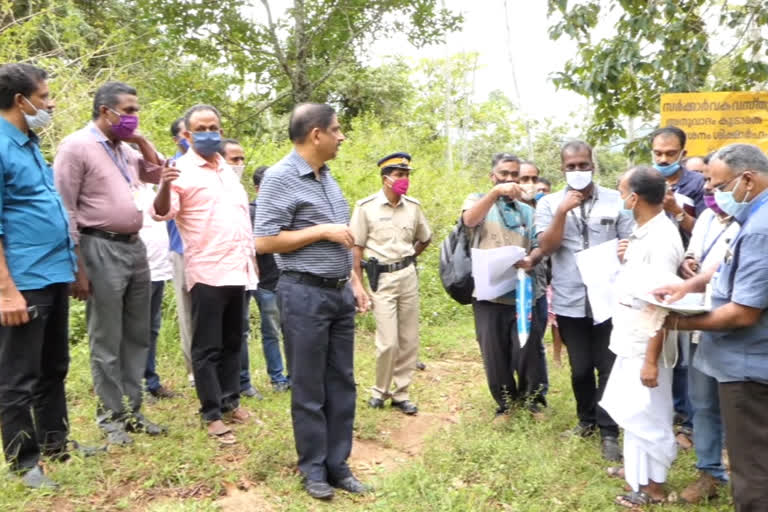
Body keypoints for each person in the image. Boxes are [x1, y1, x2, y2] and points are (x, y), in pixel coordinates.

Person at [253, 103, 370, 500]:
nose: (341, 137)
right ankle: (313, 469)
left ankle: (339, 464)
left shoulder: (328, 178)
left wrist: (354, 281)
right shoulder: (280, 178)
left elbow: (344, 240)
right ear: (316, 134)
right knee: (309, 385)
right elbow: (263, 241)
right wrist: (320, 231)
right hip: (303, 293)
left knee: (342, 382)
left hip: (337, 292)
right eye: (336, 130)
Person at [653, 143, 768, 512]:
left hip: (748, 368)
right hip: (741, 360)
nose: (711, 193)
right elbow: (730, 268)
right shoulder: (752, 219)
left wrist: (676, 321)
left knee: (752, 471)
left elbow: (743, 313)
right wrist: (689, 286)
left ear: (747, 180)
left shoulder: (761, 229)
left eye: (718, 185)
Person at [54, 81, 167, 445]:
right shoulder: (76, 146)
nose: (135, 117)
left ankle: (133, 411)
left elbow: (160, 173)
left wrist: (142, 140)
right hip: (97, 248)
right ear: (106, 111)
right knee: (107, 337)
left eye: (136, 110)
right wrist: (77, 265)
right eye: (129, 111)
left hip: (136, 248)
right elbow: (65, 208)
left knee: (136, 335)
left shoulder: (125, 149)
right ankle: (110, 417)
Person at [153, 104, 256, 445]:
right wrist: (164, 186)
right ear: (187, 135)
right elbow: (163, 212)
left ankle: (231, 401)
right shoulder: (179, 170)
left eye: (214, 126)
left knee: (232, 341)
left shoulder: (226, 168)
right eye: (201, 128)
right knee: (207, 345)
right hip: (208, 270)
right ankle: (211, 413)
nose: (209, 132)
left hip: (238, 269)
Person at [0, 63, 76, 489]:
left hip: (52, 271)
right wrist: (6, 291)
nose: (49, 104)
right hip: (23, 278)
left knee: (53, 364)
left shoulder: (29, 142)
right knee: (18, 375)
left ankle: (55, 441)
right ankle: (23, 461)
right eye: (44, 97)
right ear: (20, 101)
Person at [536, 140, 633, 461]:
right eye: (571, 166)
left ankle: (608, 431)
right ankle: (585, 420)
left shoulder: (615, 199)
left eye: (583, 165)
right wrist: (562, 212)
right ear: (562, 169)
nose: (578, 171)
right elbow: (547, 247)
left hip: (609, 299)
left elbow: (630, 238)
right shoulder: (549, 203)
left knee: (607, 366)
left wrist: (626, 248)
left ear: (593, 164)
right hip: (569, 298)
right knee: (580, 369)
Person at [600, 166, 683, 508]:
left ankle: (654, 488)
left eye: (621, 192)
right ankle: (640, 480)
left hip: (646, 344)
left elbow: (660, 305)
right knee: (635, 412)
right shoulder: (642, 232)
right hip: (632, 338)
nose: (620, 198)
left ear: (634, 198)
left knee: (649, 415)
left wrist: (650, 360)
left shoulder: (662, 239)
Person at [461, 153, 544, 417]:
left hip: (521, 292)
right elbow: (469, 221)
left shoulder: (528, 212)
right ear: (493, 176)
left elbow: (539, 244)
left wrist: (532, 258)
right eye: (503, 174)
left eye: (514, 175)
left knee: (527, 349)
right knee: (494, 352)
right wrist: (494, 193)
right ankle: (505, 405)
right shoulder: (478, 201)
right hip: (488, 294)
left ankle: (533, 401)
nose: (509, 180)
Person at [676, 164, 740, 504]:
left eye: (716, 184)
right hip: (699, 317)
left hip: (736, 325)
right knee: (701, 401)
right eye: (707, 184)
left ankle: (744, 472)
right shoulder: (704, 219)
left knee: (740, 405)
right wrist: (689, 260)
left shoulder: (752, 223)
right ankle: (710, 472)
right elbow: (696, 255)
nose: (710, 191)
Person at [351, 152, 432, 415]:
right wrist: (359, 285)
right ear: (386, 179)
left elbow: (424, 238)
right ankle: (379, 390)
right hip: (381, 278)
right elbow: (356, 248)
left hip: (407, 276)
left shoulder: (414, 207)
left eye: (407, 175)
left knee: (408, 339)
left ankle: (401, 393)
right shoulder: (366, 208)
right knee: (388, 341)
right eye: (399, 175)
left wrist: (408, 259)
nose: (404, 180)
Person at [650, 126, 706, 447]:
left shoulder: (698, 184)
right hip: (655, 279)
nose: (664, 158)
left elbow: (704, 230)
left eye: (671, 154)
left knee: (686, 355)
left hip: (689, 279)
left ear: (683, 153)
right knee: (656, 348)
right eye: (658, 153)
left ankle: (688, 423)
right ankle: (664, 413)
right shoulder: (646, 180)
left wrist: (676, 211)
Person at [217, 138, 263, 399]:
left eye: (242, 159)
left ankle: (241, 383)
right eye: (235, 159)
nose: (240, 164)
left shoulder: (239, 191)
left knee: (240, 329)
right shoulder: (213, 189)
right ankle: (223, 388)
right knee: (220, 333)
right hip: (218, 272)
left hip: (244, 271)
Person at [249, 166, 291, 392]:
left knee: (293, 331)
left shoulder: (285, 208)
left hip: (290, 280)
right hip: (266, 282)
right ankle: (278, 378)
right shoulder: (252, 212)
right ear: (257, 188)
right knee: (272, 331)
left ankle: (294, 375)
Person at [137, 183, 176, 399]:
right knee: (138, 330)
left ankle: (151, 381)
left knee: (152, 329)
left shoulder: (151, 188)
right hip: (140, 270)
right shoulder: (125, 185)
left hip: (158, 270)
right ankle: (139, 385)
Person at [517, 160, 550, 406]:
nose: (529, 184)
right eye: (523, 179)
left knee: (535, 341)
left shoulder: (544, 209)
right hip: (508, 290)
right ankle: (515, 393)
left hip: (537, 287)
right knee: (514, 342)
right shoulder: (504, 209)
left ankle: (537, 395)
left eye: (533, 179)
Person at [168, 117, 194, 385]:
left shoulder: (214, 164)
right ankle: (193, 369)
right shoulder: (172, 168)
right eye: (187, 133)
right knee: (188, 313)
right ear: (177, 139)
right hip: (181, 248)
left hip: (211, 250)